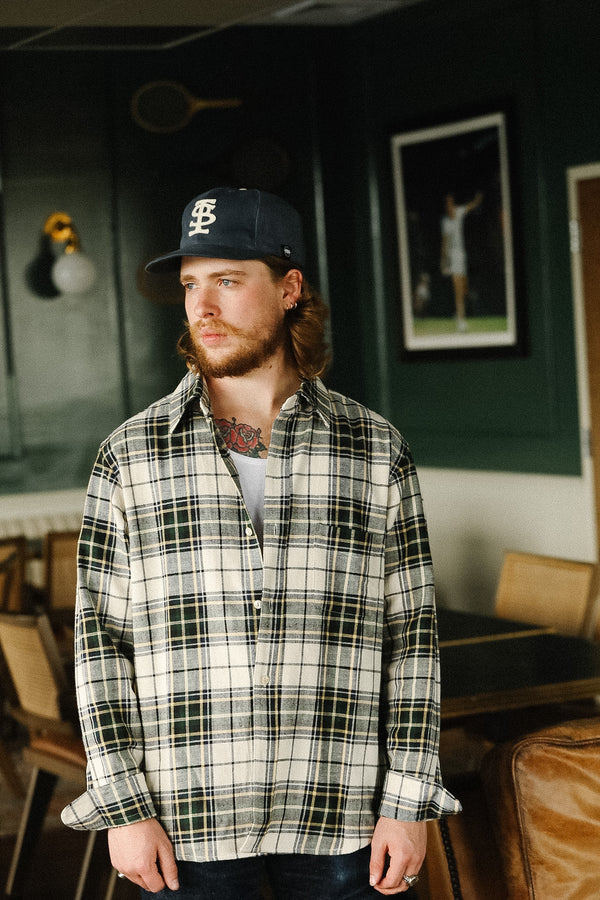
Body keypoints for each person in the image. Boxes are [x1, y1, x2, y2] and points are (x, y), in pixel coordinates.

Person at [62, 186, 460, 898]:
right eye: (190, 285)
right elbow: (99, 645)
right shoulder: (129, 456)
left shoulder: (373, 450)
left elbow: (413, 637)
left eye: (227, 280)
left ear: (290, 289)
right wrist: (123, 808)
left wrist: (408, 800)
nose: (202, 308)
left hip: (345, 816)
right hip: (187, 821)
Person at [440, 191, 483, 331]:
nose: (450, 205)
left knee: (464, 289)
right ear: (446, 206)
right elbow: (444, 243)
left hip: (462, 255)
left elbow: (470, 206)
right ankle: (461, 322)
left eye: (451, 202)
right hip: (453, 257)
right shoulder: (445, 222)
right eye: (448, 203)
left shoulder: (458, 212)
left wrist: (477, 200)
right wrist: (444, 262)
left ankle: (458, 313)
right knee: (458, 290)